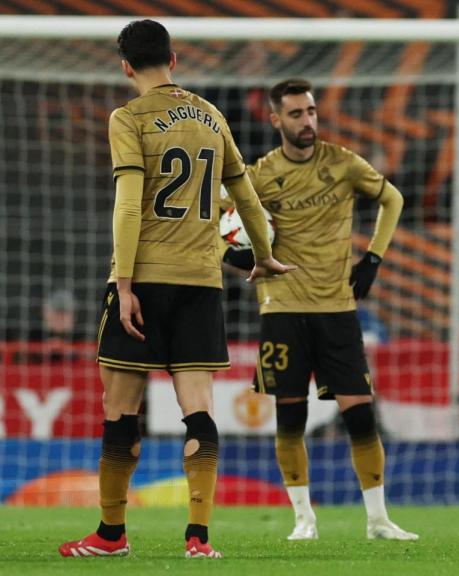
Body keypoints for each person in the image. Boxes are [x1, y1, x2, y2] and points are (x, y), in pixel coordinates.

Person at [59, 19, 294, 559]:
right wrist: (262, 257)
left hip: (143, 278)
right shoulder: (211, 116)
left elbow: (127, 203)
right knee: (199, 412)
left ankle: (112, 536)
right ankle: (198, 538)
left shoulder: (129, 117)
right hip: (200, 282)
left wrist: (123, 282)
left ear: (125, 65)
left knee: (120, 412)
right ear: (175, 59)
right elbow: (247, 198)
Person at [243, 78, 416, 542]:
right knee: (290, 418)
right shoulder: (258, 176)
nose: (308, 121)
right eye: (297, 114)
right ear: (276, 119)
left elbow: (392, 198)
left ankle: (378, 519)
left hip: (338, 308)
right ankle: (304, 519)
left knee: (360, 415)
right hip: (282, 308)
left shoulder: (341, 163)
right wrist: (243, 256)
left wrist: (373, 259)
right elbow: (225, 222)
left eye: (312, 111)